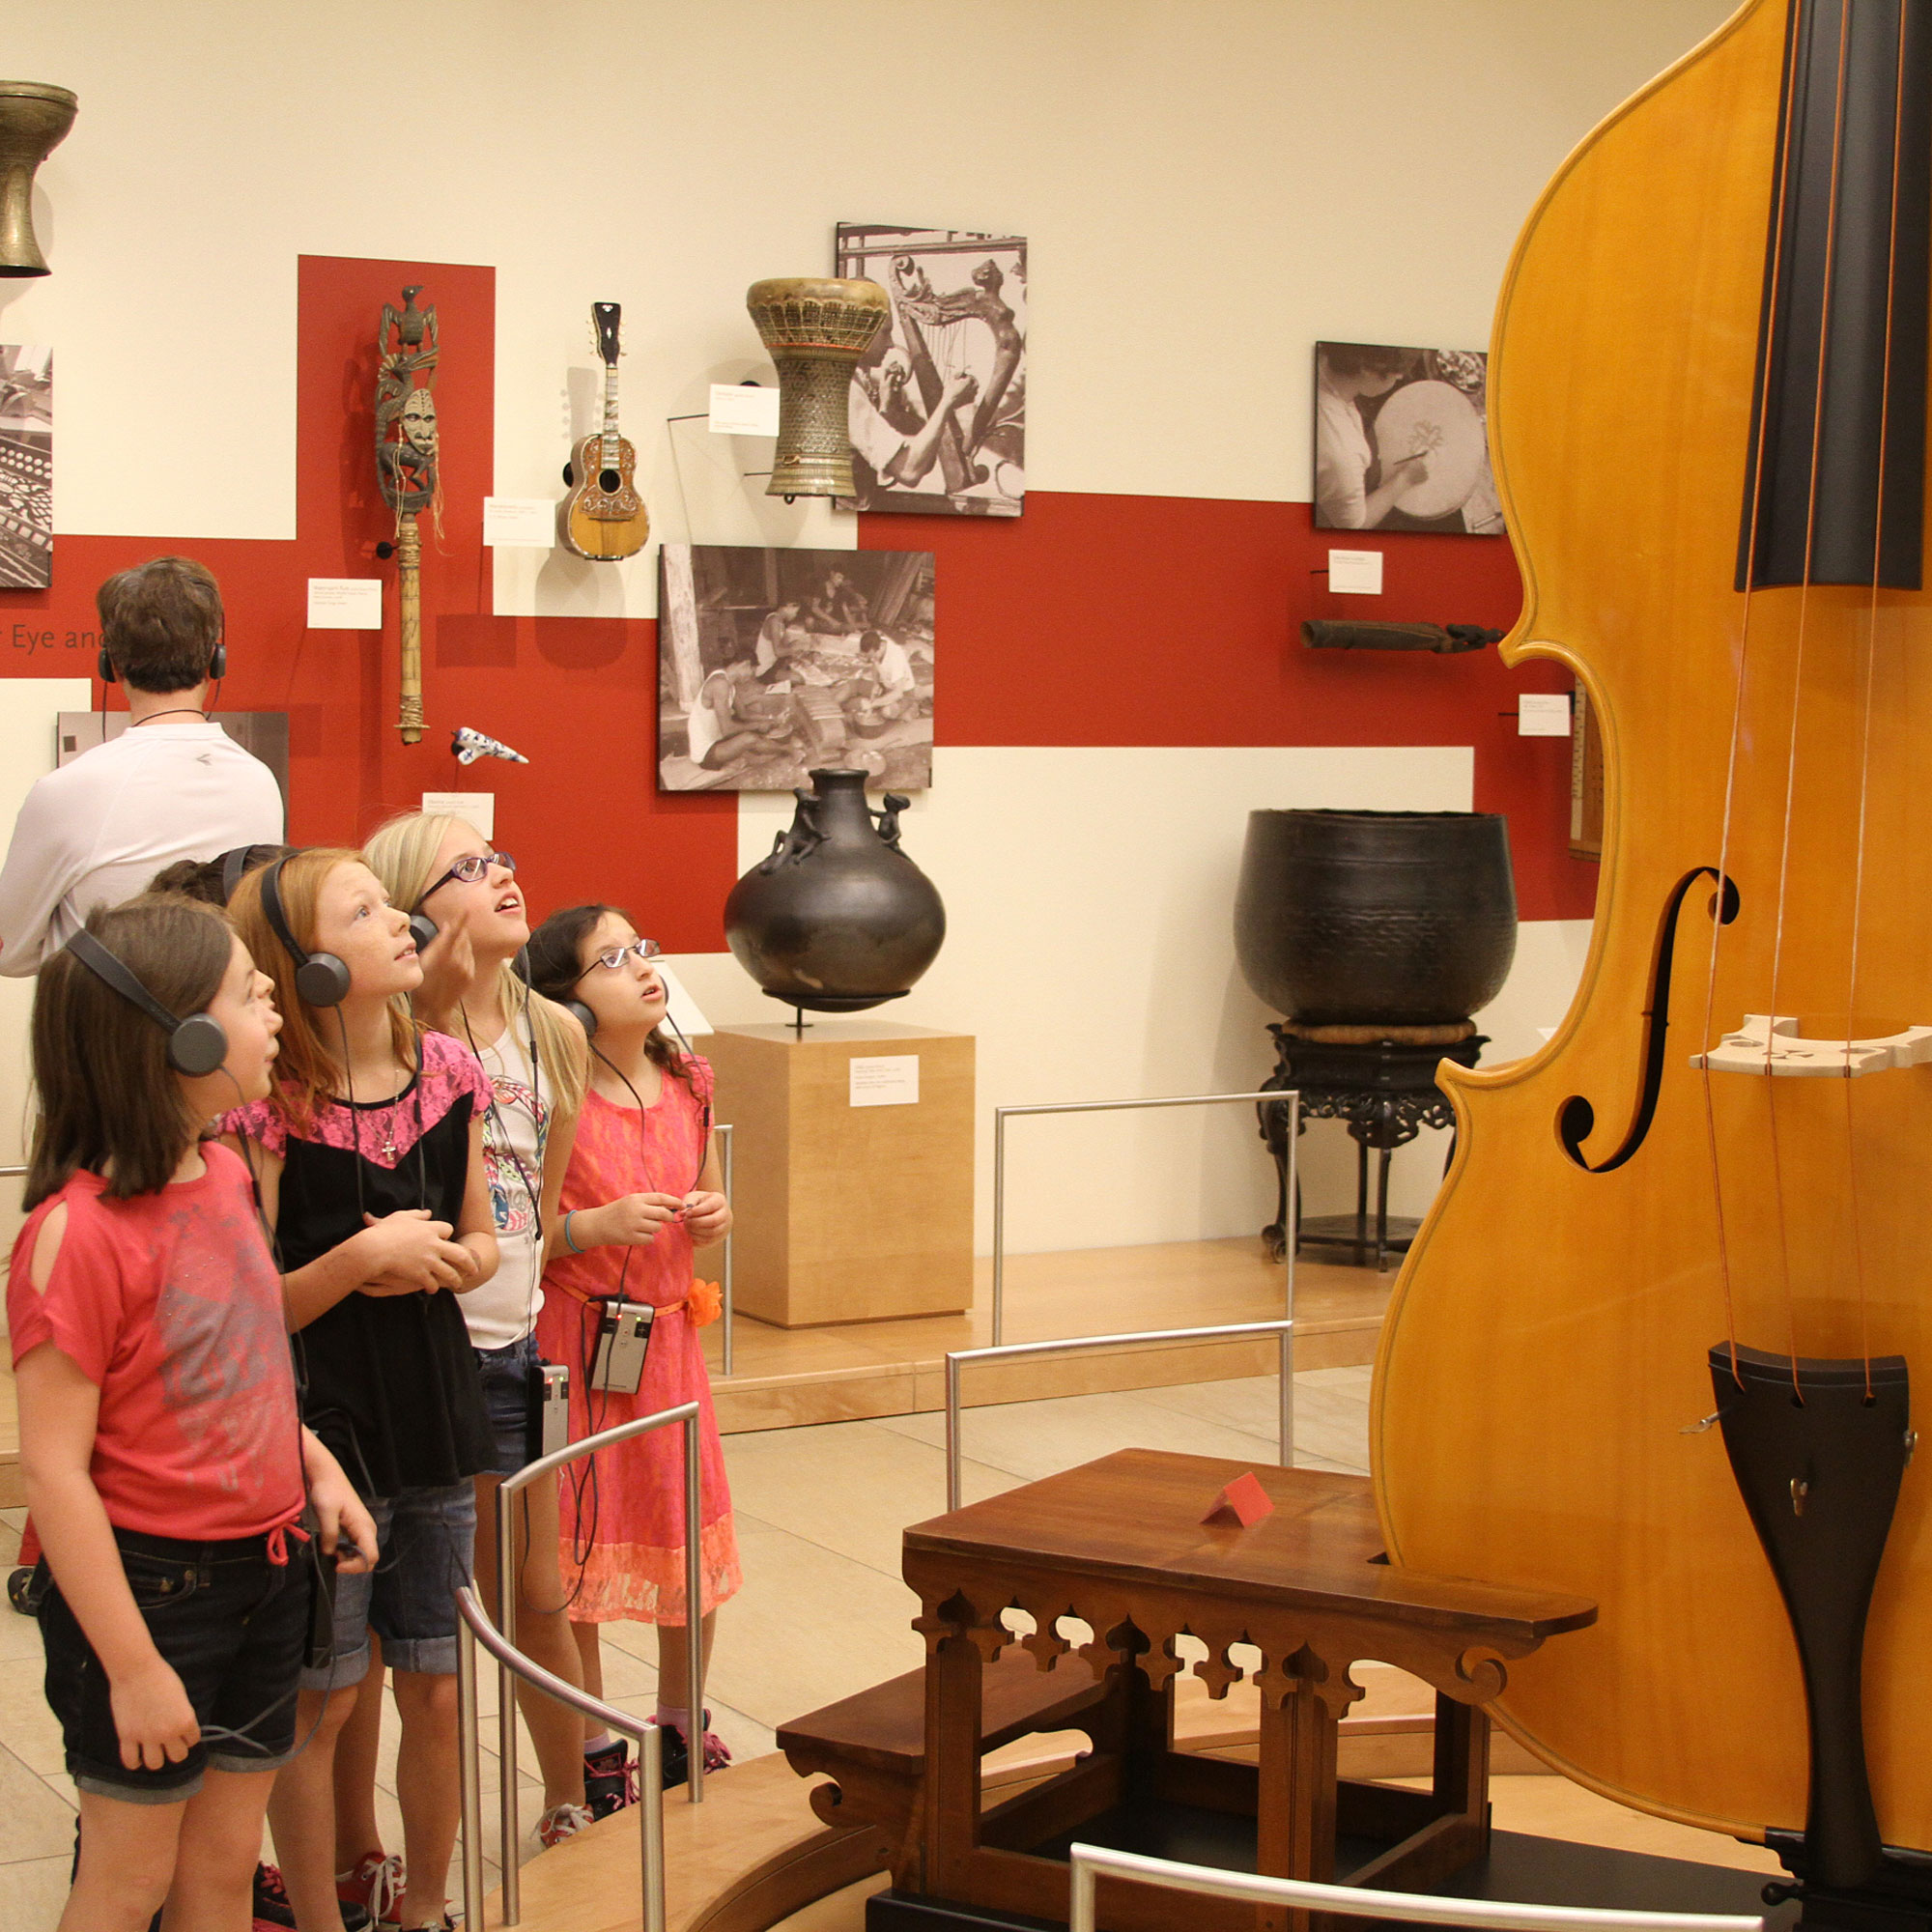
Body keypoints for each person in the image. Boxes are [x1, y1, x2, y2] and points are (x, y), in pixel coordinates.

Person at [11, 895, 377, 1932]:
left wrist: (312, 1463)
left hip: (266, 1568)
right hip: (155, 1593)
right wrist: (132, 1668)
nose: (277, 1017)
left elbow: (242, 1363)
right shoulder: (71, 1235)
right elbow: (55, 1472)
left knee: (220, 1873)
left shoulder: (223, 1171)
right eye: (255, 998)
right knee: (129, 1879)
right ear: (185, 1035)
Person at [221, 849, 499, 1932]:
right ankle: (325, 1909)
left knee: (435, 1678)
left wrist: (446, 1262)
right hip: (317, 1425)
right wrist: (352, 1262)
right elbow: (244, 1309)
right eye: (365, 909)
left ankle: (425, 1904)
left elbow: (479, 1237)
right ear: (304, 963)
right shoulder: (267, 1102)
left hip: (433, 1401)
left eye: (391, 904)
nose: (399, 920)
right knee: (326, 1691)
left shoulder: (446, 1071)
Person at [364, 812, 607, 1847]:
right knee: (414, 1621)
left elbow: (539, 1199)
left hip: (514, 1337)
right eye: (467, 867)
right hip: (418, 1348)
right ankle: (367, 1847)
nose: (501, 874)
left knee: (538, 1587)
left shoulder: (553, 1028)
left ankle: (572, 1799)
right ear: (413, 910)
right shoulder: (395, 1032)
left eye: (501, 856)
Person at [522, 906, 740, 1793]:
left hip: (669, 1340)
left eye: (642, 948)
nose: (641, 967)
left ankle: (684, 1721)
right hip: (577, 1341)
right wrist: (592, 1225)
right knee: (578, 1542)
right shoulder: (556, 1089)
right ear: (565, 1000)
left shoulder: (689, 1079)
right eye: (609, 960)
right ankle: (592, 1741)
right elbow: (523, 1234)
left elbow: (712, 1214)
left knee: (684, 1531)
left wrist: (716, 1217)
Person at [0, 556, 283, 974]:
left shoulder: (67, 790)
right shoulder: (260, 781)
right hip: (230, 1025)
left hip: (106, 1030)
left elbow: (9, 950)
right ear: (215, 659)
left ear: (110, 665)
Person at [1313, 344, 1431, 530]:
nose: (1399, 378)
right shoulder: (1343, 455)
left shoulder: (1320, 357)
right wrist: (1405, 478)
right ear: (1367, 368)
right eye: (1396, 374)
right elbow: (1353, 525)